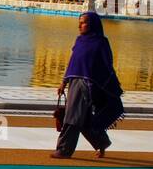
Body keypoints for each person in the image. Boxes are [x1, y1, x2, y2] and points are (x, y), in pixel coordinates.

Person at [52, 10, 124, 159]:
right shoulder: (79, 41)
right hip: (74, 82)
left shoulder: (101, 42)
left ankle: (64, 150)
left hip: (89, 85)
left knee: (72, 116)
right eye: (79, 23)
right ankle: (102, 142)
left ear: (92, 25)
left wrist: (104, 84)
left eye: (83, 23)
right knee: (84, 119)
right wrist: (63, 82)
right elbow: (73, 63)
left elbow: (107, 64)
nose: (80, 26)